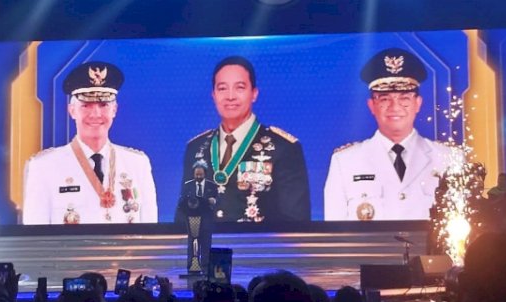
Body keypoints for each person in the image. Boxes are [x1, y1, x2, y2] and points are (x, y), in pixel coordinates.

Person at [324, 48, 452, 221]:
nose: (395, 107)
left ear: (418, 103)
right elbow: (335, 234)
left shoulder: (448, 158)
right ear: (371, 105)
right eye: (384, 99)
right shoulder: (345, 161)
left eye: (404, 98)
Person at [22, 61, 157, 224]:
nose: (95, 114)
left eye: (103, 105)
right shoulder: (44, 167)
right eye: (86, 105)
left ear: (114, 109)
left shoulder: (137, 164)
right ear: (72, 110)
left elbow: (150, 234)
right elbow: (36, 241)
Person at [180, 56, 310, 223]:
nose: (230, 96)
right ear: (213, 95)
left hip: (261, 248)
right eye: (222, 89)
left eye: (239, 88)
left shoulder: (283, 147)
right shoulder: (196, 148)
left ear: (254, 94)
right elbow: (183, 219)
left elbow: (296, 222)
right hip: (206, 248)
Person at [178, 160, 218, 274]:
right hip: (192, 219)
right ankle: (192, 266)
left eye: (201, 174)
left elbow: (218, 200)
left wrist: (213, 201)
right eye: (196, 174)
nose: (198, 176)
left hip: (206, 219)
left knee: (206, 243)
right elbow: (182, 202)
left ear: (205, 174)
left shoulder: (212, 185)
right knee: (193, 242)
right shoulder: (188, 185)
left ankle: (205, 266)